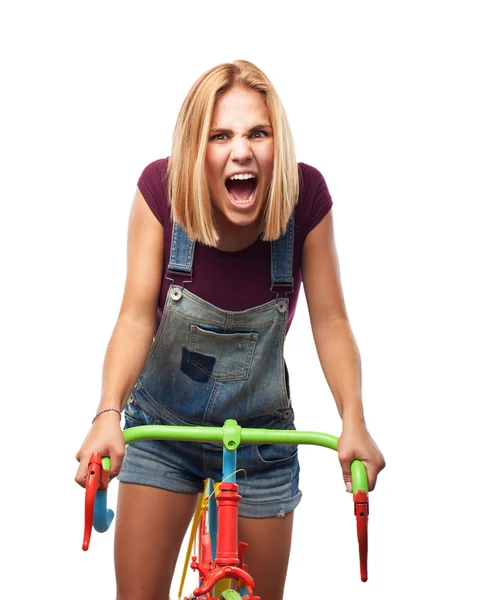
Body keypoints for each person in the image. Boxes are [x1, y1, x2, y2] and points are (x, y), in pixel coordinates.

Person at [75, 59, 385, 600]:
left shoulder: (305, 199)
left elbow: (331, 321)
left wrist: (353, 420)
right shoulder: (160, 191)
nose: (241, 150)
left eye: (257, 133)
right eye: (221, 135)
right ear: (198, 148)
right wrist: (108, 413)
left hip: (262, 445)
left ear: (276, 145)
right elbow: (133, 315)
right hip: (163, 433)